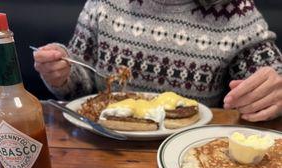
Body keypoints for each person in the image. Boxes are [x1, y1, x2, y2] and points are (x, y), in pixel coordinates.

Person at [34, 0, 282, 122]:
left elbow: (272, 75)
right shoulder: (104, 3)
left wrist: (272, 94)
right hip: (105, 143)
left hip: (189, 148)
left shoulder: (236, 10)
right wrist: (62, 74)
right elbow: (81, 83)